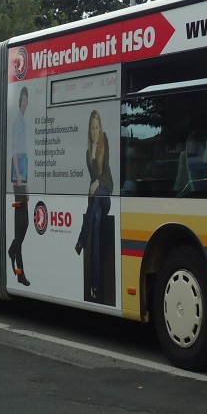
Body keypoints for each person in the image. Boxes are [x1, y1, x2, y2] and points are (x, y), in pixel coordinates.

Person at [75, 110, 113, 300]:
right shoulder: (87, 152)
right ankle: (95, 286)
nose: (95, 131)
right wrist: (93, 185)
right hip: (96, 201)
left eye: (97, 127)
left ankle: (82, 238)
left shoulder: (104, 143)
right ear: (89, 131)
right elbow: (91, 182)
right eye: (92, 128)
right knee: (96, 223)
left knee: (97, 195)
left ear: (100, 128)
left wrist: (97, 183)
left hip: (106, 194)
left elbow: (105, 175)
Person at [7, 87, 31, 286]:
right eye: (22, 100)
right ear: (19, 102)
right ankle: (20, 273)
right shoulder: (17, 122)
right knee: (20, 223)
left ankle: (13, 250)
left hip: (23, 172)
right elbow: (14, 151)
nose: (25, 103)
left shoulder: (24, 121)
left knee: (25, 223)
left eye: (27, 100)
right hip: (18, 174)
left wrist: (27, 181)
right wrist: (19, 177)